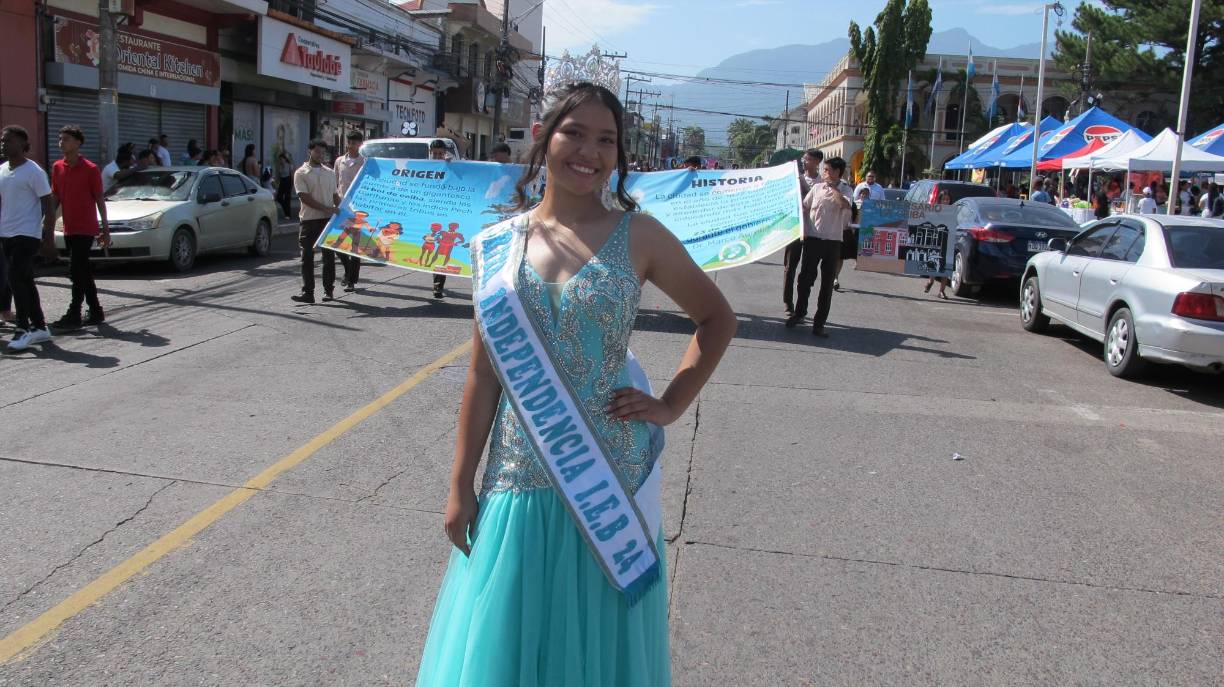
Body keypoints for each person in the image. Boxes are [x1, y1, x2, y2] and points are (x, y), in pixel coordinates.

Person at [416, 81, 736, 687]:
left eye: (607, 139)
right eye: (576, 133)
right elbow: (483, 374)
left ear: (619, 155)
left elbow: (717, 319)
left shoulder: (640, 237)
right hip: (519, 478)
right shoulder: (495, 247)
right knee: (510, 645)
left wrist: (670, 404)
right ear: (544, 137)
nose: (589, 151)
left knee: (595, 652)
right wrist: (459, 485)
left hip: (608, 480)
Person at [49, 125, 110, 330]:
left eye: (66, 139)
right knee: (82, 270)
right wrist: (46, 221)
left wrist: (106, 228)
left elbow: (100, 199)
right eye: (60, 138)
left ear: (78, 143)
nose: (61, 142)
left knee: (76, 270)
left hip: (86, 227)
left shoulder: (91, 168)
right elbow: (55, 197)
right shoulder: (58, 167)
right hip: (69, 226)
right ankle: (96, 310)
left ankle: (74, 313)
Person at [0, 125, 55, 350]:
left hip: (28, 234)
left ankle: (23, 328)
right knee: (25, 280)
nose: (4, 144)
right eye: (2, 141)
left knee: (15, 278)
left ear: (23, 144)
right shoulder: (2, 170)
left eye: (9, 140)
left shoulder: (34, 171)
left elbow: (49, 206)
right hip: (6, 234)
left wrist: (47, 238)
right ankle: (41, 327)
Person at [788, 156, 853, 337]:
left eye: (828, 170)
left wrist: (833, 189)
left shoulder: (846, 189)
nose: (824, 173)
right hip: (813, 240)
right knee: (805, 279)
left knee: (826, 285)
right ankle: (800, 313)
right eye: (824, 170)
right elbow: (805, 206)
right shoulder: (816, 188)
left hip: (833, 242)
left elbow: (846, 206)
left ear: (837, 172)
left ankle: (819, 323)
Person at [290, 139, 340, 304]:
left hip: (327, 220)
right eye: (317, 151)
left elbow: (335, 196)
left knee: (328, 257)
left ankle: (328, 291)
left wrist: (343, 211)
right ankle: (308, 292)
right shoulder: (301, 173)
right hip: (309, 220)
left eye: (323, 152)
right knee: (307, 257)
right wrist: (326, 208)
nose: (321, 155)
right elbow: (304, 197)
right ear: (310, 152)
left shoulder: (329, 172)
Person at [785, 149, 823, 317]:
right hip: (794, 228)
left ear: (816, 162)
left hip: (814, 230)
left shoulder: (823, 182)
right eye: (803, 159)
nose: (803, 161)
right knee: (790, 267)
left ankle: (802, 305)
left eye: (807, 159)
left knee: (808, 270)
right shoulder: (795, 178)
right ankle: (788, 302)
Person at [333, 130, 365, 291]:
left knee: (355, 245)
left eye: (355, 143)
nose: (352, 146)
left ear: (360, 144)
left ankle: (352, 280)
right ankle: (347, 270)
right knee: (337, 243)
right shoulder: (339, 161)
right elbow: (336, 182)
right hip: (341, 207)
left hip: (357, 208)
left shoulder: (365, 162)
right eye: (350, 142)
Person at [428, 139, 451, 298]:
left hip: (443, 214)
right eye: (434, 153)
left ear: (445, 154)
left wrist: (451, 166)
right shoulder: (421, 166)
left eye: (440, 154)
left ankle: (438, 285)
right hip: (426, 214)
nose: (437, 156)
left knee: (441, 247)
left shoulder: (450, 167)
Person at [275, 148, 295, 218]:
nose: (280, 161)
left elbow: (292, 175)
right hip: (282, 181)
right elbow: (278, 176)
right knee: (279, 197)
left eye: (281, 159)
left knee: (287, 198)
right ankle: (286, 210)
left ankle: (288, 214)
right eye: (279, 160)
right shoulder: (279, 166)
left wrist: (293, 184)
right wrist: (276, 185)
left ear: (284, 159)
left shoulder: (289, 165)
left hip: (288, 180)